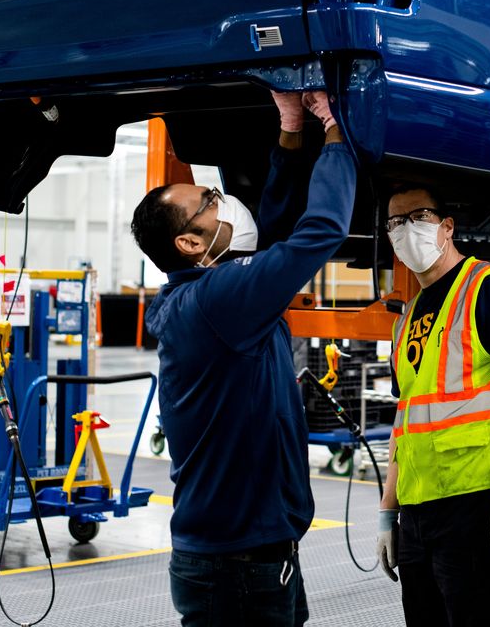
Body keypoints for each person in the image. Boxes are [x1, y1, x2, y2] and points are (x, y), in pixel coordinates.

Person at [132, 90, 355, 626]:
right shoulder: (217, 302)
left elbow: (272, 233)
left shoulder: (209, 295)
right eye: (209, 200)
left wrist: (291, 128)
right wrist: (335, 131)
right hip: (236, 564)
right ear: (188, 243)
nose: (220, 197)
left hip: (247, 552)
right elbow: (321, 231)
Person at [375, 185, 490, 627]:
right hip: (418, 514)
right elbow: (406, 419)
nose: (404, 230)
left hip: (480, 506)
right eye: (395, 223)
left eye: (417, 217)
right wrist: (387, 511)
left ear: (447, 226)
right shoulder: (408, 317)